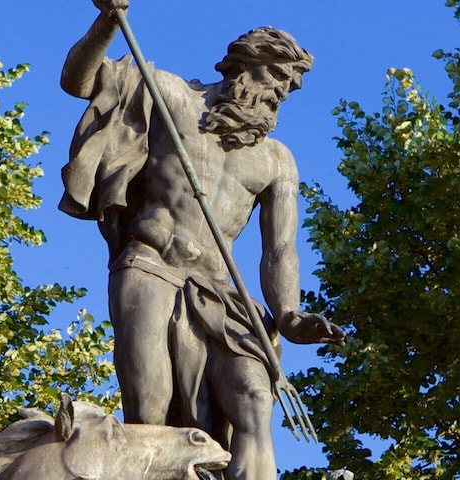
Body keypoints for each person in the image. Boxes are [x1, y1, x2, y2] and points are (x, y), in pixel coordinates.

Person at [57, 1, 346, 478]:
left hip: (224, 295)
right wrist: (107, 20)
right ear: (244, 65)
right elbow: (78, 81)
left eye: (291, 87)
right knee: (151, 408)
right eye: (277, 76)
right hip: (152, 269)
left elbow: (280, 249)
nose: (282, 92)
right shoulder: (170, 96)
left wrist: (290, 315)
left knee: (254, 397)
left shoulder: (276, 160)